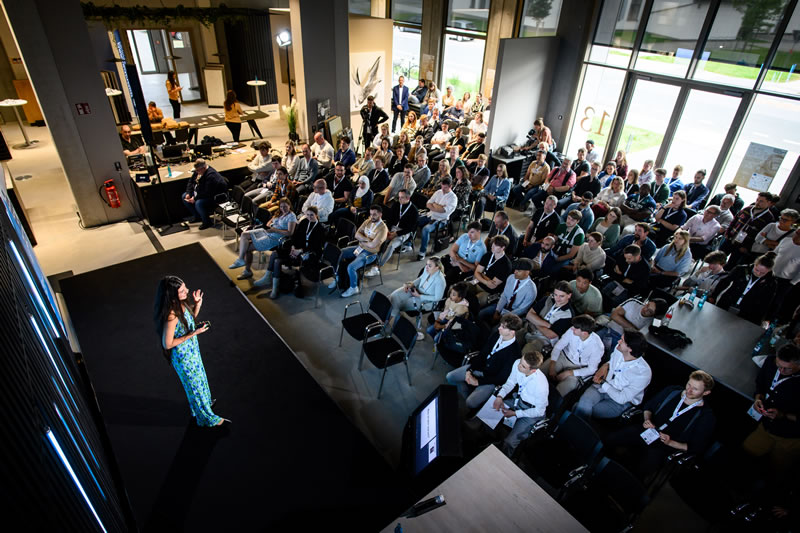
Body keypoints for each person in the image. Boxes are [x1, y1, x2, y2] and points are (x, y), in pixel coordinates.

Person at [603, 370, 716, 482]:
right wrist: (647, 419)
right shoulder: (672, 391)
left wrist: (670, 442)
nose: (689, 390)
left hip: (663, 446)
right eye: (689, 384)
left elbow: (696, 446)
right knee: (609, 440)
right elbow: (648, 407)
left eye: (695, 389)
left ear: (706, 393)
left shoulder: (705, 416)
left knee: (639, 470)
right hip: (647, 431)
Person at [154, 275, 227, 427]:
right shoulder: (171, 315)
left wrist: (197, 304)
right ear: (172, 294)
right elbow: (167, 344)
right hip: (183, 356)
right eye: (182, 290)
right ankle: (206, 419)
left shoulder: (180, 304)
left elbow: (189, 318)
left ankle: (203, 404)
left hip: (192, 351)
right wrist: (193, 333)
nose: (186, 291)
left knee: (199, 379)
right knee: (194, 385)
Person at [743, 344, 800, 478]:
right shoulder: (770, 362)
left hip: (791, 437)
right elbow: (760, 384)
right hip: (766, 427)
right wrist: (758, 398)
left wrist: (783, 415)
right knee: (747, 452)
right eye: (778, 365)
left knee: (778, 470)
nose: (780, 370)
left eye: (787, 369)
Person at [447, 314, 524, 410]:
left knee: (470, 403)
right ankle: (467, 392)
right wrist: (470, 370)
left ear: (512, 332)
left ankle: (471, 400)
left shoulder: (515, 354)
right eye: (500, 325)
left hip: (490, 379)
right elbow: (483, 354)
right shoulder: (497, 335)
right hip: (479, 368)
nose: (499, 328)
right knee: (450, 377)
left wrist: (478, 382)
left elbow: (501, 378)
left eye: (503, 327)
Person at [575, 330, 652, 420]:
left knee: (581, 408)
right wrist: (605, 365)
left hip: (619, 402)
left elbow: (622, 398)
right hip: (601, 388)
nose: (618, 341)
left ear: (630, 349)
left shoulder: (643, 373)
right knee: (583, 405)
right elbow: (613, 361)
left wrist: (603, 383)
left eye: (622, 341)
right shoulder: (618, 349)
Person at [258, 206, 326, 296]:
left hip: (309, 253)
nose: (309, 217)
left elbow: (316, 247)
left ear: (316, 215)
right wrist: (293, 247)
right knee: (274, 254)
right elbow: (295, 236)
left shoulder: (320, 229)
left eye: (312, 215)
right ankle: (268, 278)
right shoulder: (304, 222)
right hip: (296, 249)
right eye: (307, 215)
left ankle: (275, 289)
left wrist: (300, 251)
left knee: (277, 261)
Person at [493, 349, 549, 457]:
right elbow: (510, 382)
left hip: (531, 412)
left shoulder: (541, 386)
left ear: (532, 371)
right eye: (520, 362)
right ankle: (494, 441)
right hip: (518, 401)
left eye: (523, 366)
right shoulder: (518, 363)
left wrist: (515, 414)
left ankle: (503, 459)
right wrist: (500, 396)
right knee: (491, 410)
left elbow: (539, 411)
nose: (519, 366)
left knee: (510, 442)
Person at [228, 197, 296, 279]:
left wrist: (275, 230)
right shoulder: (279, 213)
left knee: (247, 248)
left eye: (285, 206)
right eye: (281, 207)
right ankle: (241, 259)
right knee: (244, 235)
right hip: (267, 232)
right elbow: (269, 222)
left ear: (289, 205)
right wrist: (270, 225)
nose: (283, 209)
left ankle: (247, 270)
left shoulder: (291, 216)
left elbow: (289, 233)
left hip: (275, 238)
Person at [332, 205, 388, 298]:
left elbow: (373, 245)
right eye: (370, 214)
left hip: (370, 254)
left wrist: (363, 240)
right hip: (360, 247)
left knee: (351, 267)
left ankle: (354, 288)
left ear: (380, 215)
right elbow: (356, 234)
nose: (372, 217)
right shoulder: (368, 221)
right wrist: (367, 240)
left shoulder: (383, 229)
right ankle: (338, 277)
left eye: (374, 215)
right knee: (338, 253)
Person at [711, 252, 778, 324]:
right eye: (756, 270)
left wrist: (765, 318)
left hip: (747, 311)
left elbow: (767, 302)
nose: (758, 274)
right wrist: (713, 296)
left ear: (769, 270)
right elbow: (724, 282)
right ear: (755, 264)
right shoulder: (741, 269)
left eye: (763, 273)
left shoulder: (771, 282)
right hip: (727, 302)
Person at [546, 315, 605, 397]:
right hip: (563, 357)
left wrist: (569, 373)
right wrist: (552, 366)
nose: (572, 329)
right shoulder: (571, 330)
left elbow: (592, 369)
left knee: (561, 390)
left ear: (584, 333)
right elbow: (558, 347)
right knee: (541, 371)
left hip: (579, 368)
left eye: (575, 328)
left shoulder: (598, 346)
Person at [722, 192, 777, 269]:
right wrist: (727, 233)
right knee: (718, 258)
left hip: (743, 246)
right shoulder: (747, 209)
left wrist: (747, 247)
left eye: (761, 201)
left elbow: (760, 236)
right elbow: (734, 220)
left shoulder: (769, 218)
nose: (758, 202)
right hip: (730, 239)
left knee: (731, 265)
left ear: (769, 202)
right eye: (757, 200)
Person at [389, 256, 446, 324]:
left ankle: (390, 322)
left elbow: (437, 298)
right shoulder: (427, 269)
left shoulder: (440, 281)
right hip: (416, 290)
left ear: (437, 268)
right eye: (426, 264)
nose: (426, 267)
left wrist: (419, 296)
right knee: (393, 296)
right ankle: (395, 320)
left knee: (397, 303)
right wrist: (411, 284)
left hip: (426, 300)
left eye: (429, 266)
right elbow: (420, 278)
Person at [598, 297, 667, 351]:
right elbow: (614, 315)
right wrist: (634, 330)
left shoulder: (653, 321)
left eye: (650, 311)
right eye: (647, 305)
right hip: (609, 330)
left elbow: (644, 337)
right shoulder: (633, 302)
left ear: (654, 315)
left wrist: (622, 321)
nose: (645, 309)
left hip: (623, 342)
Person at [522, 281, 575, 352]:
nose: (557, 299)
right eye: (555, 295)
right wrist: (548, 325)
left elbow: (551, 335)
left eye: (561, 296)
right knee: (511, 335)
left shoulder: (568, 314)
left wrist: (535, 321)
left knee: (528, 349)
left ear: (569, 295)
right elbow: (529, 315)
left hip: (543, 338)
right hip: (529, 328)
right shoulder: (548, 299)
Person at [483, 259, 537, 325]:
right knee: (482, 314)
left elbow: (521, 309)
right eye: (515, 270)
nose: (515, 272)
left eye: (519, 271)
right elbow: (504, 296)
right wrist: (497, 311)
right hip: (503, 306)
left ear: (527, 272)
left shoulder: (531, 290)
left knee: (496, 329)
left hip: (514, 313)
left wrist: (503, 317)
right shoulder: (511, 277)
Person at [417, 178, 458, 260]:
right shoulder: (438, 192)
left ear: (450, 186)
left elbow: (443, 211)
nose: (442, 190)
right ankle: (408, 244)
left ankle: (422, 252)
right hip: (430, 215)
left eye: (445, 188)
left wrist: (434, 205)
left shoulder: (453, 198)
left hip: (440, 220)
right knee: (413, 221)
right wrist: (437, 207)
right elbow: (428, 204)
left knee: (426, 229)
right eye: (442, 187)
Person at [378, 189, 419, 267]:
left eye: (402, 197)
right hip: (392, 229)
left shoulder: (414, 211)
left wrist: (396, 234)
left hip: (404, 232)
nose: (399, 199)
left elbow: (410, 228)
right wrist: (388, 230)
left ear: (408, 198)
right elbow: (389, 218)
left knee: (391, 246)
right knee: (380, 239)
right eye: (399, 197)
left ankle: (379, 265)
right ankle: (375, 259)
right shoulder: (396, 205)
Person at [181, 159, 226, 229]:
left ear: (204, 168)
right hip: (200, 192)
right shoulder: (198, 171)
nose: (196, 172)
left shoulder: (211, 176)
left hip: (213, 196)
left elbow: (207, 192)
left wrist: (195, 198)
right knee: (184, 196)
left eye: (198, 170)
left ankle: (207, 222)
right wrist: (188, 193)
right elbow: (191, 182)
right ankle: (197, 216)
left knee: (198, 203)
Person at [469, 235, 513, 303]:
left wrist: (481, 274)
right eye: (492, 244)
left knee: (474, 302)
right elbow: (476, 272)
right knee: (462, 289)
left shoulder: (506, 265)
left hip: (488, 291)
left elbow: (492, 286)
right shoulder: (488, 255)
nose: (492, 246)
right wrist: (487, 281)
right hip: (476, 281)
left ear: (502, 248)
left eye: (495, 245)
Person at [772, 228, 800, 322]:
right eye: (797, 232)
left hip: (786, 280)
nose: (796, 236)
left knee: (776, 301)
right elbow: (774, 254)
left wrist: (792, 283)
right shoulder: (786, 240)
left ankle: (769, 319)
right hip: (771, 273)